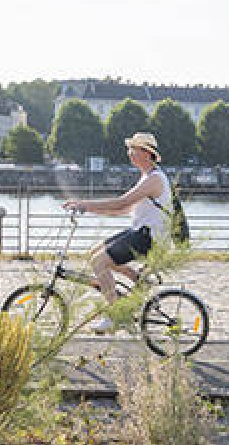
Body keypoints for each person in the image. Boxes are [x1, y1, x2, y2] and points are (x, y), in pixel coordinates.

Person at [61, 132, 172, 333]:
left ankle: (116, 315)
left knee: (99, 262)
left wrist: (84, 204)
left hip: (150, 238)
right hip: (141, 232)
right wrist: (89, 210)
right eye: (129, 149)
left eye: (134, 149)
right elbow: (123, 209)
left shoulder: (154, 179)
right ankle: (138, 279)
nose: (129, 153)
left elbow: (122, 202)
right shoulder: (146, 176)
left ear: (147, 154)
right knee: (94, 252)